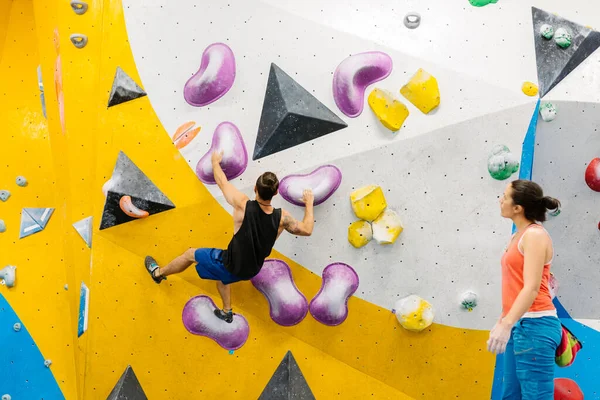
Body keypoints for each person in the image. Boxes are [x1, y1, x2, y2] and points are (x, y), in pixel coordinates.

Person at [144, 150, 315, 323]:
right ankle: (227, 312)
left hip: (230, 264)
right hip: (252, 269)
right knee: (223, 280)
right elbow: (307, 229)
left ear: (255, 188)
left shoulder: (242, 205)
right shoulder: (282, 218)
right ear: (276, 192)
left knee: (190, 254)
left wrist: (215, 162)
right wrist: (309, 203)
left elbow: (222, 183)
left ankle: (158, 273)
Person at [487, 179, 562, 399]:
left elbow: (530, 288)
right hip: (518, 324)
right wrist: (504, 321)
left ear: (518, 208)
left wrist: (507, 323)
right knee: (511, 395)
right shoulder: (516, 237)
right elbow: (515, 283)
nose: (500, 201)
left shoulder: (535, 236)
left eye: (505, 197)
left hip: (536, 325)